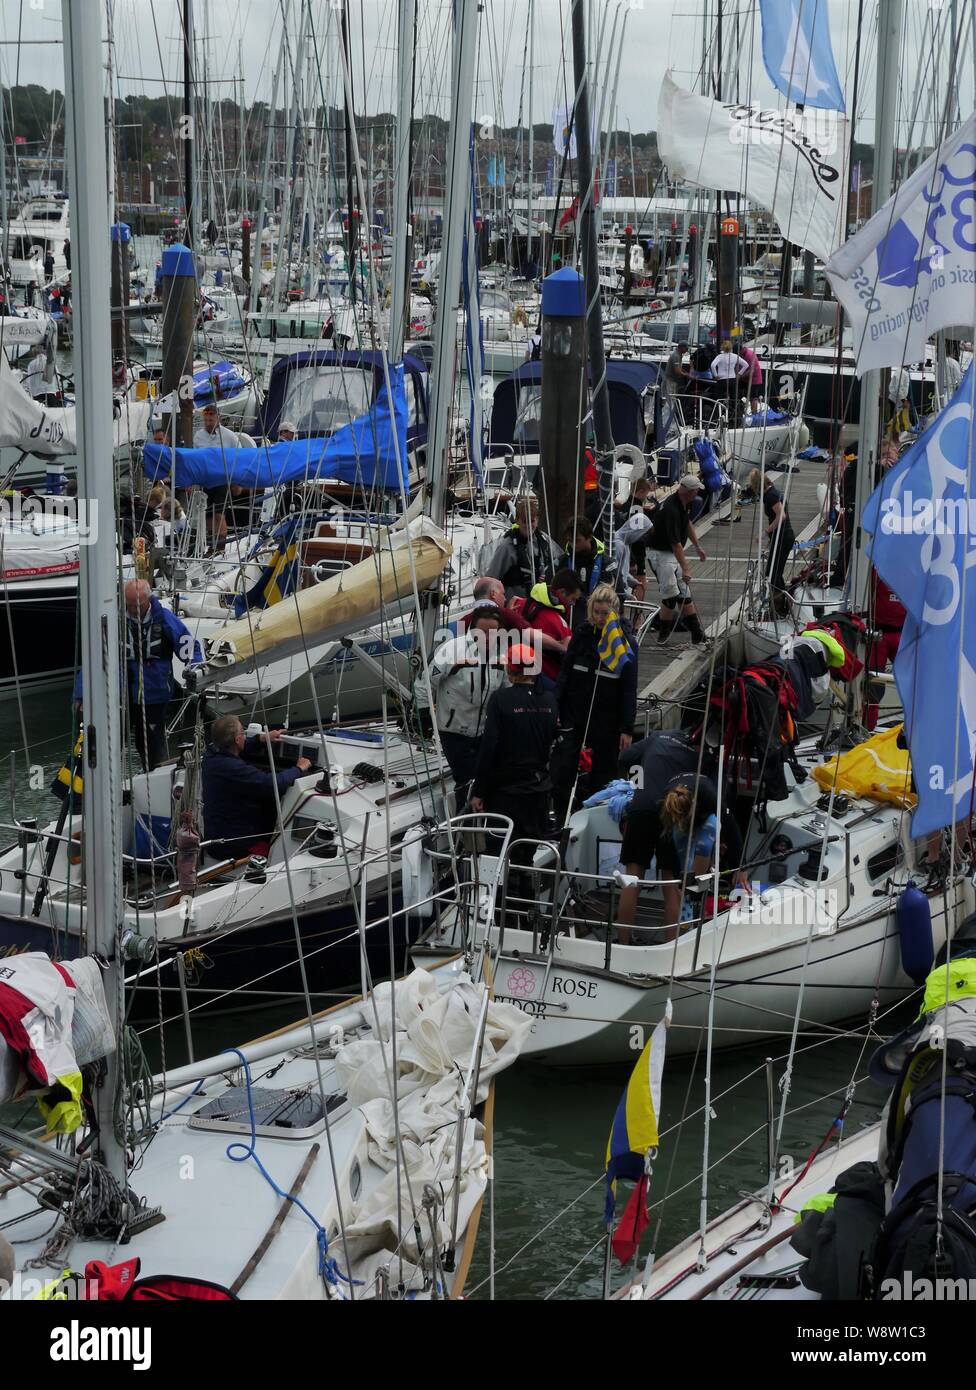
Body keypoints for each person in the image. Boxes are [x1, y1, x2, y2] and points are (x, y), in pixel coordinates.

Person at [73, 580, 202, 772]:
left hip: (155, 696)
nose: (133, 609)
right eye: (130, 605)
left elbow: (189, 648)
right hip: (119, 697)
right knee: (108, 743)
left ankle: (154, 780)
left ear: (148, 599)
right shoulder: (113, 623)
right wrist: (81, 694)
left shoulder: (165, 619)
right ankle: (98, 787)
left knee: (150, 745)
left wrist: (196, 670)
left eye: (137, 605)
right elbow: (93, 660)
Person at [470, 643, 558, 898]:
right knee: (526, 853)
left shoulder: (500, 700)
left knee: (498, 854)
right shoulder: (549, 701)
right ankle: (525, 908)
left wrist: (479, 791)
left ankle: (495, 909)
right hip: (538, 792)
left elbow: (489, 748)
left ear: (510, 668)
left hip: (506, 794)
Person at [551, 583, 636, 823]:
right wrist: (556, 707)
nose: (599, 618)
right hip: (575, 712)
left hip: (607, 718)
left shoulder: (625, 643)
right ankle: (561, 814)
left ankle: (598, 817)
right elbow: (566, 672)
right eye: (596, 612)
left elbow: (630, 688)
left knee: (604, 771)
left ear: (614, 612)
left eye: (604, 613)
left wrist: (627, 728)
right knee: (564, 766)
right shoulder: (582, 634)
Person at [202, 716, 312, 860]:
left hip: (216, 835)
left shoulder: (210, 756)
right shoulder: (233, 767)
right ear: (237, 740)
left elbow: (240, 747)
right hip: (234, 845)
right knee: (279, 854)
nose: (245, 736)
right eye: (243, 733)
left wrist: (262, 739)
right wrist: (298, 768)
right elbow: (272, 784)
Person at [428, 603, 508, 799]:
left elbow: (507, 690)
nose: (487, 637)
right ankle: (462, 824)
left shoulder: (502, 655)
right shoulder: (450, 650)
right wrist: (424, 713)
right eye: (482, 632)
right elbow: (426, 683)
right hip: (453, 730)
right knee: (466, 778)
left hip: (484, 731)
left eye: (493, 632)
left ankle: (479, 822)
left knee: (485, 779)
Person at [655, 782, 746, 935]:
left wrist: (741, 867)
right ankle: (679, 933)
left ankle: (693, 925)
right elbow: (669, 851)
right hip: (678, 818)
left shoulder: (710, 800)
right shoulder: (666, 802)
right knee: (680, 884)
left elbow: (733, 830)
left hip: (707, 823)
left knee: (693, 885)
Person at [646, 474, 708, 644]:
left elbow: (687, 523)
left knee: (684, 593)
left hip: (671, 553)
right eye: (696, 491)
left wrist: (697, 546)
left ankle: (697, 633)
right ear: (689, 492)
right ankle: (662, 632)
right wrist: (686, 569)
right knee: (671, 595)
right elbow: (676, 544)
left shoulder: (683, 502)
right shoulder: (671, 510)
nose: (697, 494)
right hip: (660, 553)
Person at [509, 568, 582, 687]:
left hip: (516, 677)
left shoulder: (517, 604)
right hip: (545, 680)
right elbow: (568, 649)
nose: (573, 604)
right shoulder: (558, 621)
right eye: (572, 599)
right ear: (562, 592)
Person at [483, 496, 558, 600]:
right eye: (524, 521)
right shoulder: (507, 546)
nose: (528, 525)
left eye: (532, 521)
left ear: (537, 520)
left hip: (541, 604)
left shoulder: (544, 540)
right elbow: (490, 579)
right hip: (517, 606)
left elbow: (560, 561)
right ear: (517, 520)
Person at [750, 469, 795, 600]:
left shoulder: (771, 495)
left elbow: (781, 516)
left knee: (773, 573)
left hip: (783, 537)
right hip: (779, 537)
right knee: (773, 572)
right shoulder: (772, 491)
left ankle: (780, 602)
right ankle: (779, 599)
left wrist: (765, 532)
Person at [560, 516, 607, 614]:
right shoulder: (562, 561)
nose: (572, 544)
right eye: (569, 540)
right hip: (569, 616)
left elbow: (615, 596)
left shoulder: (606, 563)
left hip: (597, 618)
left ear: (589, 537)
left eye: (577, 540)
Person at [737, 341, 763, 414]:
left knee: (753, 397)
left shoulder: (749, 355)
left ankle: (754, 414)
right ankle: (739, 409)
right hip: (745, 379)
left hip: (754, 380)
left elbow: (752, 371)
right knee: (737, 392)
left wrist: (740, 377)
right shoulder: (742, 355)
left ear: (740, 350)